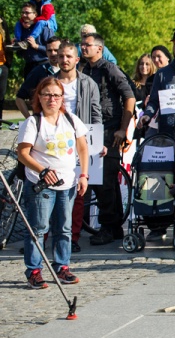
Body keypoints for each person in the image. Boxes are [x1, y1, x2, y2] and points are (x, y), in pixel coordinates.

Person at [18, 77, 89, 289]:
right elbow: (23, 154)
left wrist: (84, 175)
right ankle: (34, 270)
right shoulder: (33, 122)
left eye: (57, 95)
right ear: (39, 97)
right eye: (47, 95)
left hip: (67, 183)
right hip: (41, 185)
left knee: (64, 228)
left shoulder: (71, 119)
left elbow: (82, 148)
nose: (52, 99)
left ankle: (62, 266)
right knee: (38, 228)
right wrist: (42, 171)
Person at [79, 33, 135, 247]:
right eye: (82, 44)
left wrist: (123, 129)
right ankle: (114, 227)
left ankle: (107, 227)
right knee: (103, 180)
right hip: (90, 129)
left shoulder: (110, 69)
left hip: (109, 130)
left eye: (87, 45)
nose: (83, 48)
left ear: (99, 48)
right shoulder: (84, 70)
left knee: (104, 180)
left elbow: (129, 97)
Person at [55, 43, 102, 253]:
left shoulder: (88, 83)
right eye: (61, 56)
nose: (64, 60)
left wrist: (98, 142)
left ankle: (72, 237)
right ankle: (44, 236)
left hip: (80, 139)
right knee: (50, 190)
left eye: (68, 56)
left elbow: (96, 112)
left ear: (76, 60)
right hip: (55, 141)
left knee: (78, 192)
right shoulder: (50, 82)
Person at [16, 37, 61, 118]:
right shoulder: (39, 71)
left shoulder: (70, 71)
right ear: (46, 52)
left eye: (56, 50)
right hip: (44, 120)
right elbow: (19, 98)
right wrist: (29, 119)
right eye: (49, 50)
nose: (53, 53)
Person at [12, 3, 54, 77]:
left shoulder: (44, 29)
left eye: (27, 13)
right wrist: (16, 46)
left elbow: (54, 50)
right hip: (29, 66)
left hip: (44, 65)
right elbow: (20, 54)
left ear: (35, 14)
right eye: (22, 13)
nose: (24, 15)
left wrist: (36, 46)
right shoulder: (21, 29)